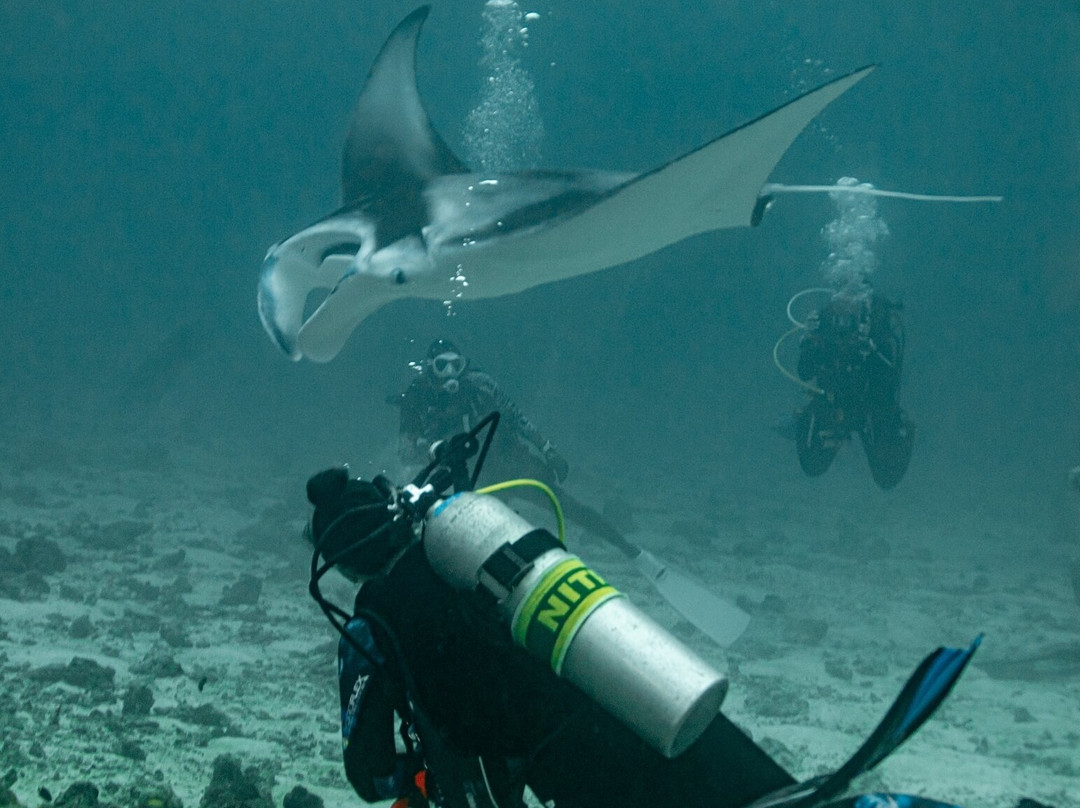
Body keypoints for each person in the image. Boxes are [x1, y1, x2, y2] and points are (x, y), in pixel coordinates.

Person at [303, 466, 987, 808]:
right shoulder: (473, 544)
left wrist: (417, 775)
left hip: (573, 766)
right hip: (644, 685)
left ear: (343, 560)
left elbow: (367, 775)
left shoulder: (370, 622)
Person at [395, 339, 569, 487]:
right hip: (463, 478)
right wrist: (437, 450)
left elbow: (516, 417)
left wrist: (547, 449)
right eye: (441, 365)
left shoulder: (480, 385)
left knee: (561, 501)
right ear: (430, 368)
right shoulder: (417, 398)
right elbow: (406, 453)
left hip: (509, 460)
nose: (450, 372)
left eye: (456, 365)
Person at [792, 288, 915, 490]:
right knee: (812, 466)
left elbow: (887, 381)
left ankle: (903, 431)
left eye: (850, 313)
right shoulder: (824, 329)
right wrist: (809, 342)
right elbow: (804, 373)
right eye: (838, 312)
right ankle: (801, 422)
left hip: (870, 408)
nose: (843, 321)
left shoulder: (875, 334)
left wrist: (870, 350)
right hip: (832, 404)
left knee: (887, 477)